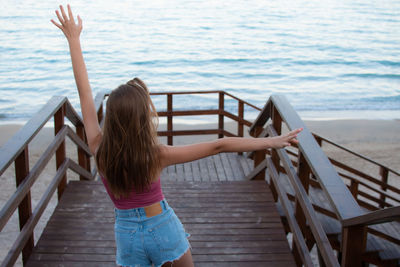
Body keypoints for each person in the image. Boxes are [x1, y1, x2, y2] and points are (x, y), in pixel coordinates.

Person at [51, 5, 302, 267]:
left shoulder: (98, 148)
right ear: (141, 120)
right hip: (162, 226)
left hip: (126, 234)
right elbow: (219, 146)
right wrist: (272, 141)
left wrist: (74, 40)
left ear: (111, 118)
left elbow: (84, 93)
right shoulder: (156, 156)